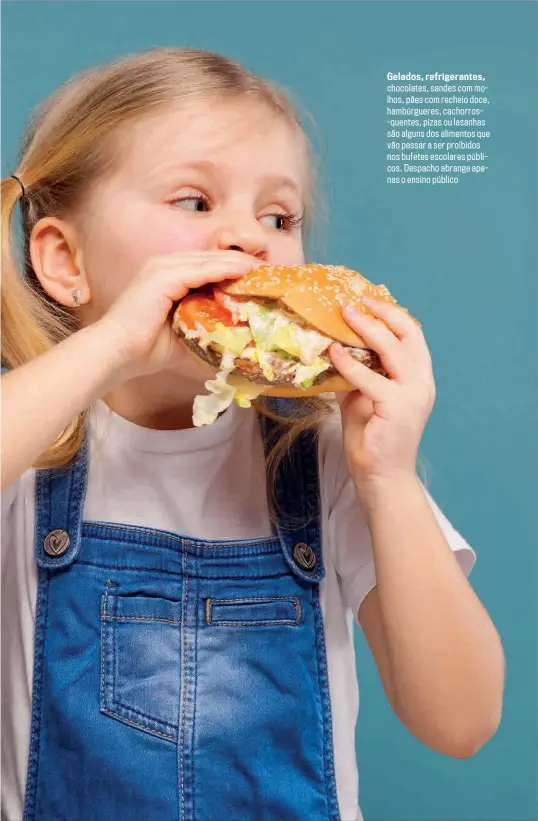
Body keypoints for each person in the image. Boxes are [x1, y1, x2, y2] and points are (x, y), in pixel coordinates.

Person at [1, 47, 504, 821]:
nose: (250, 239)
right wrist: (108, 347)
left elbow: (461, 720)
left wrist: (390, 479)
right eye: (196, 202)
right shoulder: (29, 447)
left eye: (280, 216)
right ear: (66, 262)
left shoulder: (326, 455)